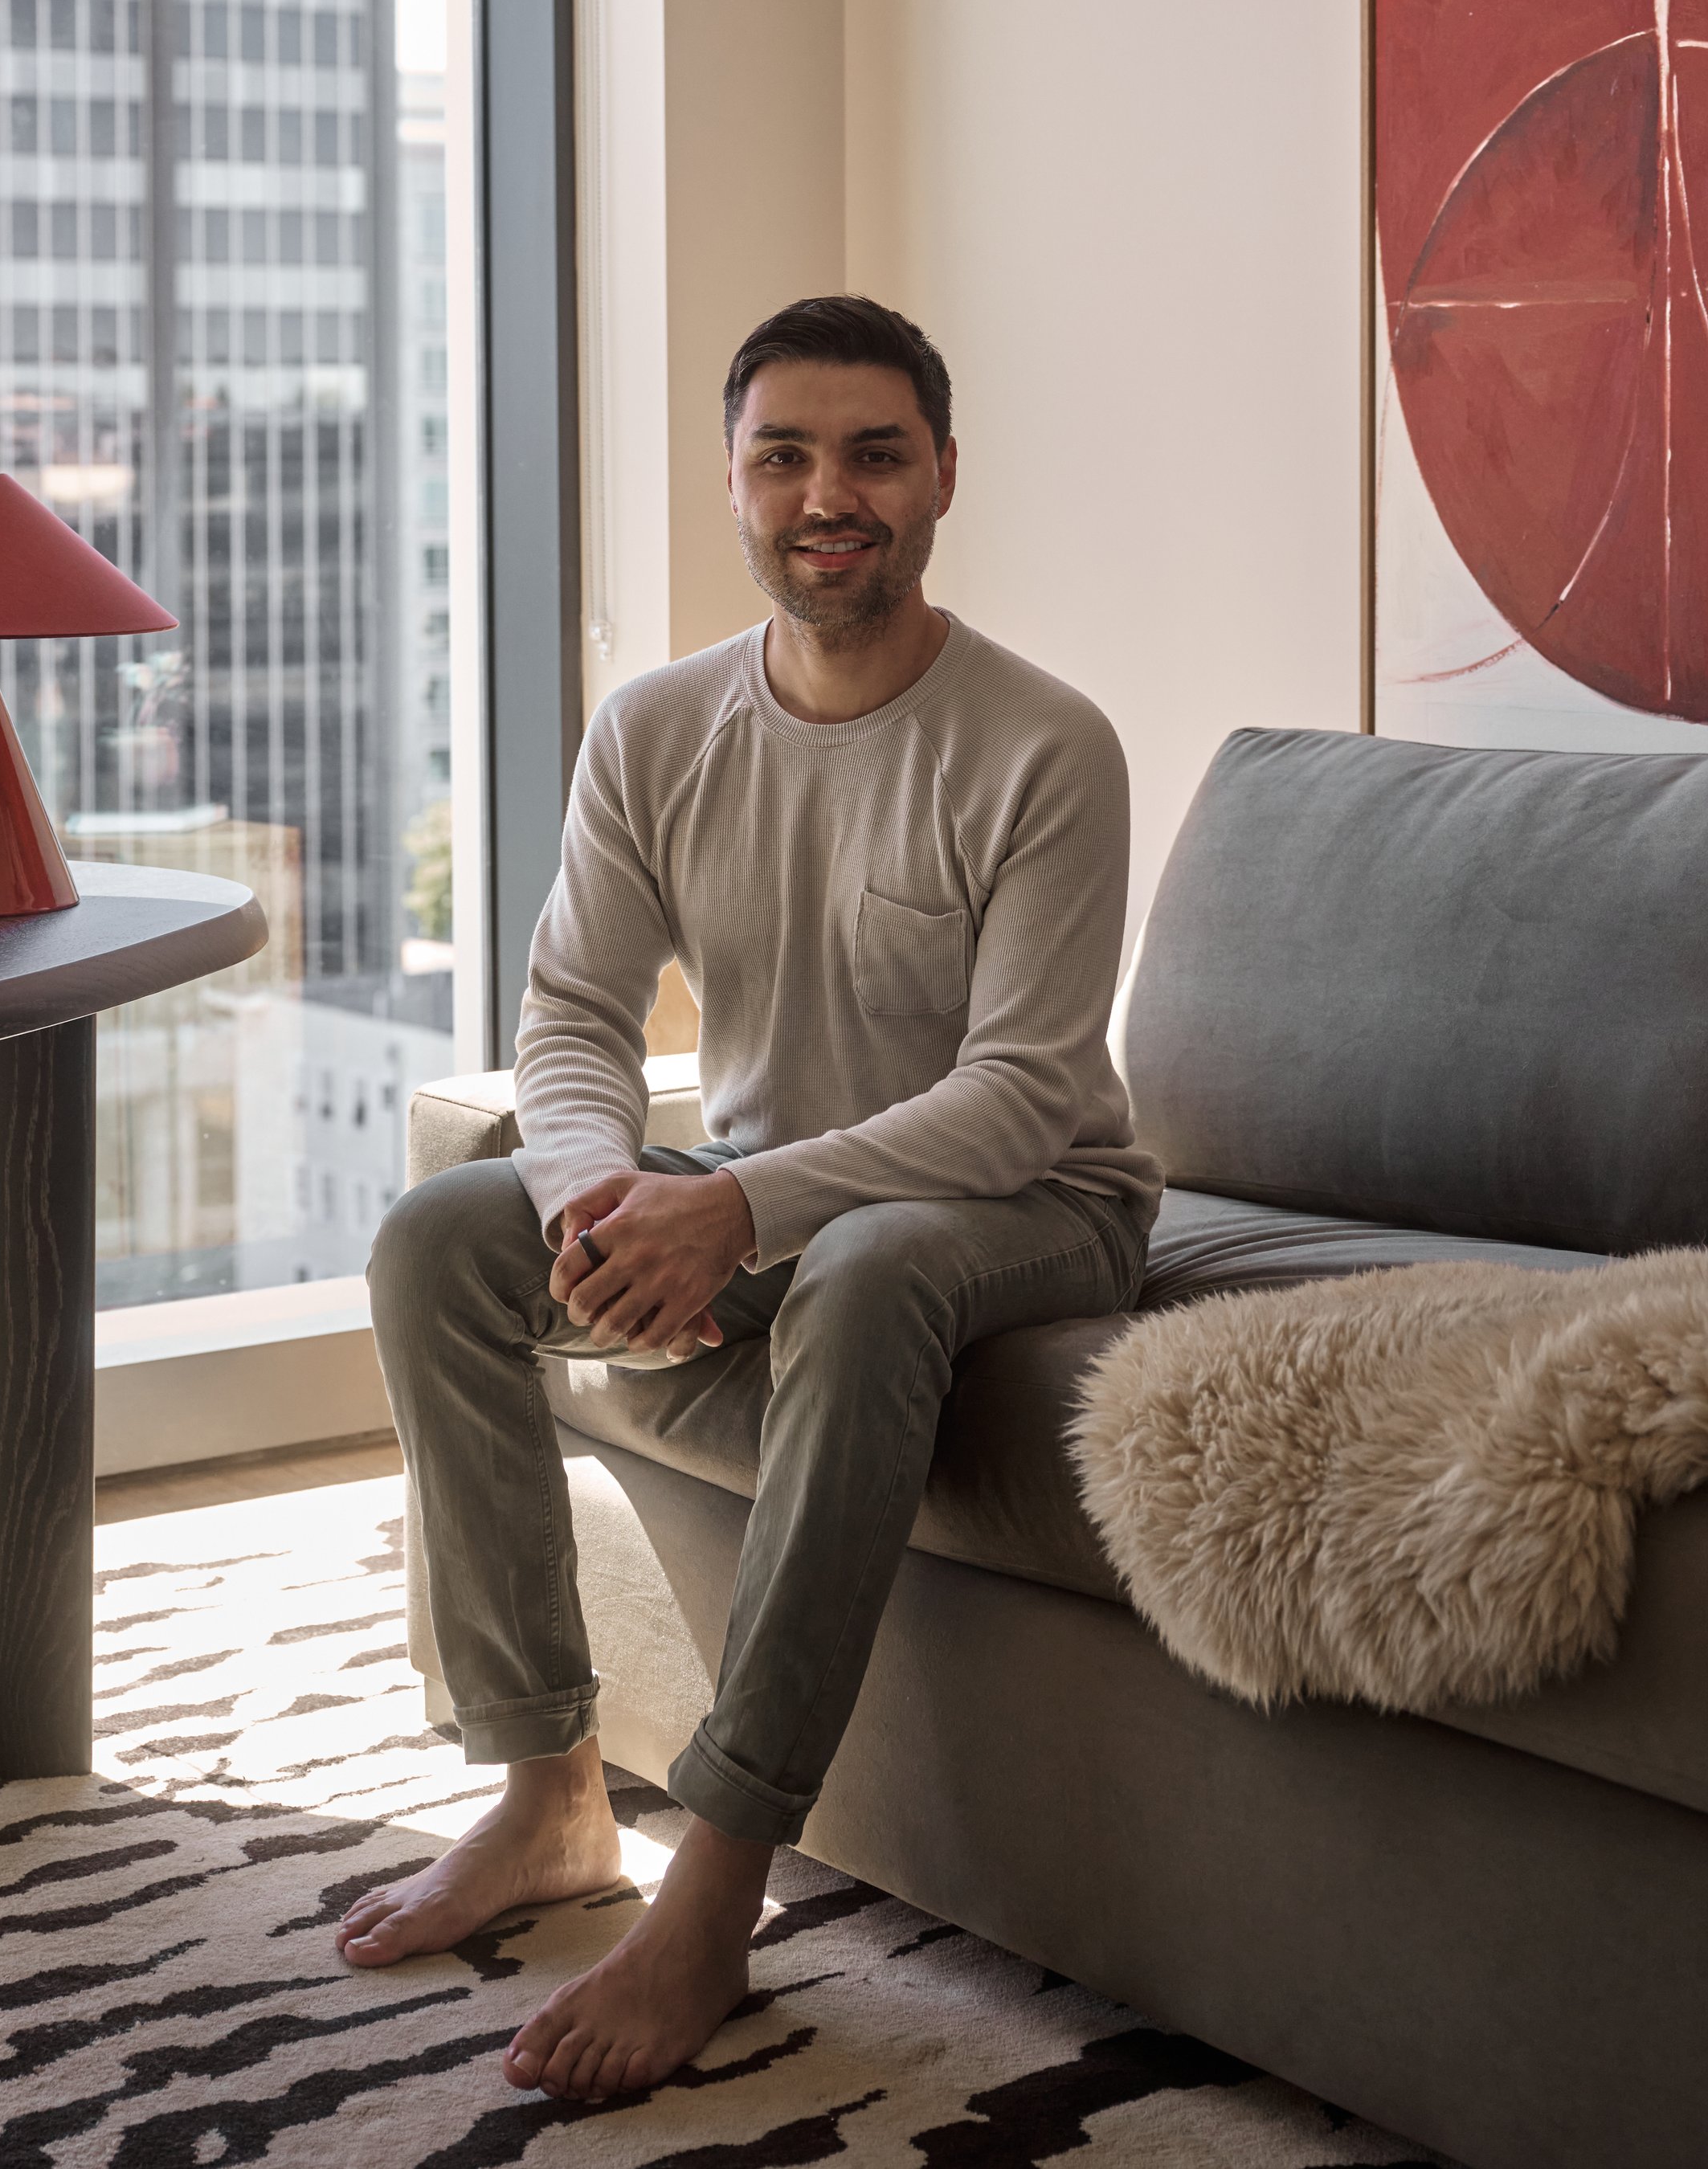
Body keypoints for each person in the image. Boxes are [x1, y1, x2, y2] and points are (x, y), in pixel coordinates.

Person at [344, 294, 1161, 2102]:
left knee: (861, 1268)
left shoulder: (1044, 744)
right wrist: (593, 1192)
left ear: (942, 472)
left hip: (1037, 1201)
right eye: (782, 453)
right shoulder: (655, 731)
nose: (826, 492)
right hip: (782, 1183)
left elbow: (1021, 1092)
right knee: (435, 1237)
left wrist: (741, 1211)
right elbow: (569, 1013)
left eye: (873, 451)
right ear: (732, 481)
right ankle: (548, 1791)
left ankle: (714, 1870)